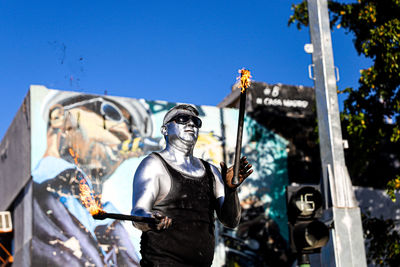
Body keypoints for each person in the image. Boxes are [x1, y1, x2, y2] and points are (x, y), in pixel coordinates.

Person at [131, 104, 253, 267]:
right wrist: (150, 219)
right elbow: (137, 214)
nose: (190, 124)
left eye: (196, 121)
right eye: (182, 119)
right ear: (165, 130)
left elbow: (231, 221)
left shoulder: (212, 171)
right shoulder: (154, 164)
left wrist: (231, 190)